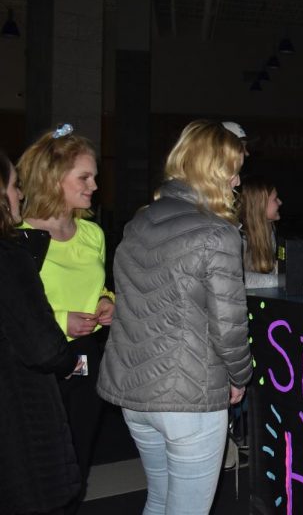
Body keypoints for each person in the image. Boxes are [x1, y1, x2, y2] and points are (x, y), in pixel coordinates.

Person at [97, 120, 252, 514]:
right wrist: (240, 376)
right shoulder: (217, 233)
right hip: (188, 394)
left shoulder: (138, 221)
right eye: (232, 170)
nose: (237, 181)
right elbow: (229, 324)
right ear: (212, 171)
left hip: (135, 394)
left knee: (160, 499)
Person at [17, 124, 115, 509]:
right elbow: (11, 309)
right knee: (39, 464)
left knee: (79, 457)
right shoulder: (19, 236)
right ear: (54, 179)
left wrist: (108, 301)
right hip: (37, 362)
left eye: (94, 177)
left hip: (86, 356)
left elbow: (98, 285)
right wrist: (60, 320)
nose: (93, 186)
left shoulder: (92, 234)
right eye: (84, 177)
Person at [0, 151, 83, 515]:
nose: (19, 194)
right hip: (20, 407)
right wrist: (70, 360)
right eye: (14, 186)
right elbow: (44, 347)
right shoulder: (10, 255)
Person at [238, 176, 282, 289]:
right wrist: (281, 280)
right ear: (260, 204)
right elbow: (238, 278)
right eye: (275, 198)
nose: (280, 202)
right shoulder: (238, 235)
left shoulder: (269, 231)